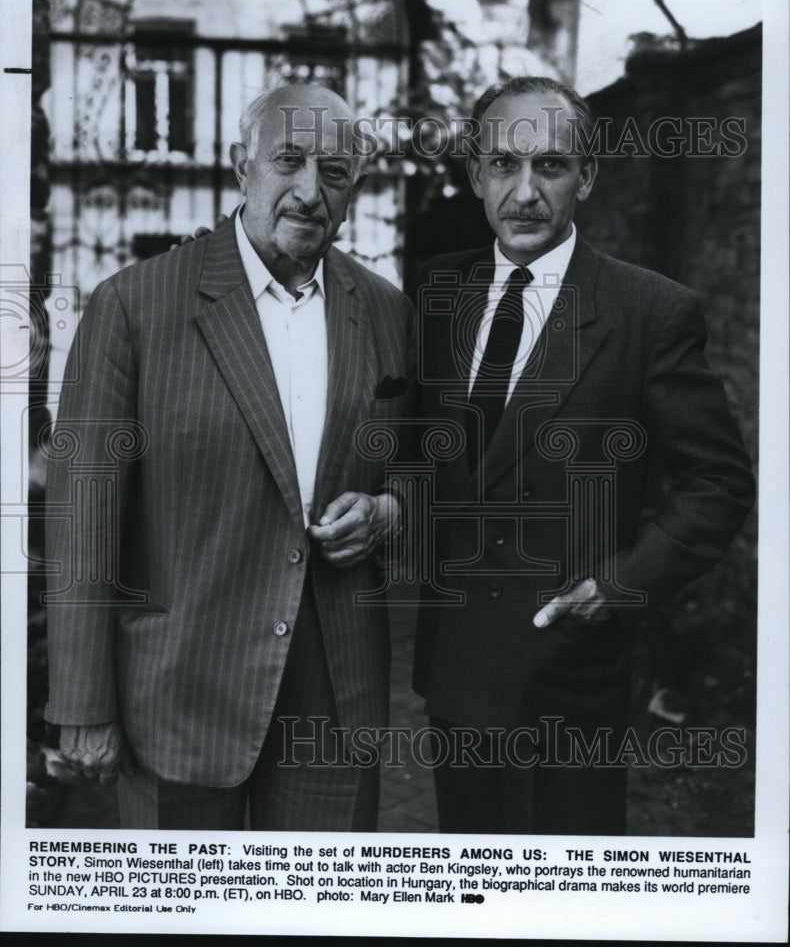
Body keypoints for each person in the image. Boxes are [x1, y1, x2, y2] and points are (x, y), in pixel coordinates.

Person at [44, 84, 414, 831]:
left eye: (336, 172)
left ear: (354, 190)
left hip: (333, 700)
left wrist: (389, 510)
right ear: (241, 165)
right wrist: (82, 705)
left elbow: (419, 464)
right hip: (179, 692)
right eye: (290, 160)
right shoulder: (133, 305)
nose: (311, 191)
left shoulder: (385, 310)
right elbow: (83, 517)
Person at [411, 76, 755, 835]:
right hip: (459, 673)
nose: (525, 192)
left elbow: (719, 485)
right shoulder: (440, 293)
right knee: (470, 892)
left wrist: (620, 585)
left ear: (588, 177)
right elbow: (426, 457)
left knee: (563, 902)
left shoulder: (649, 311)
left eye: (552, 166)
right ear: (476, 175)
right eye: (503, 165)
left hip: (568, 680)